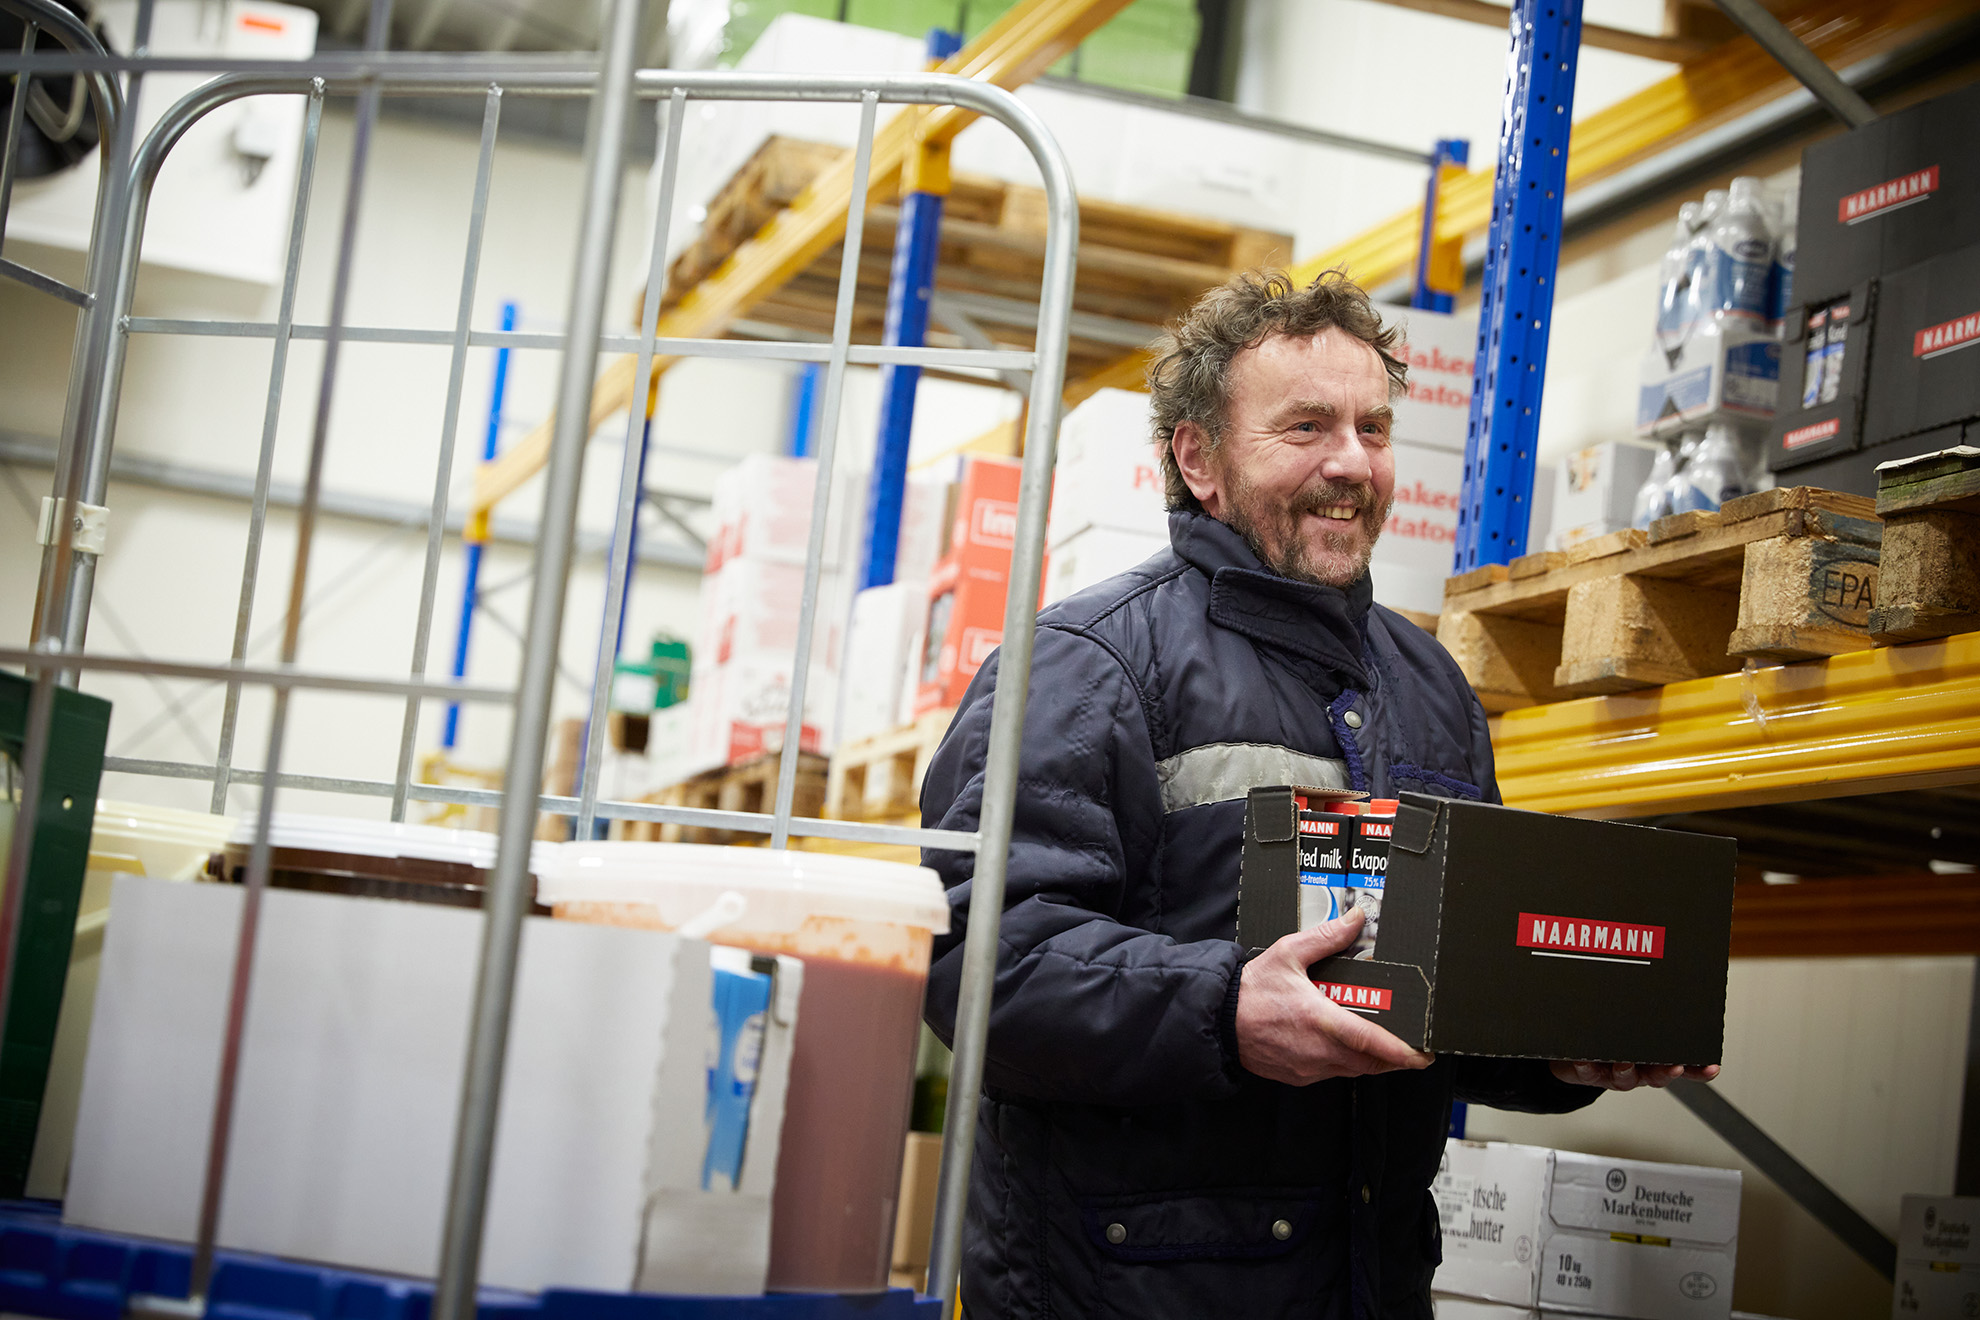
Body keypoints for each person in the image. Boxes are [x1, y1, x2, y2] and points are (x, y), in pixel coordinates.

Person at [918, 270, 1718, 1319]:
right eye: (1306, 427)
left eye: (1372, 429)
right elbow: (978, 961)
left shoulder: (1431, 689)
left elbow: (1449, 991)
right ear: (1199, 460)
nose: (1352, 463)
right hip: (1137, 1292)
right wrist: (1224, 1010)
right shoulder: (1085, 665)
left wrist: (1561, 1051)